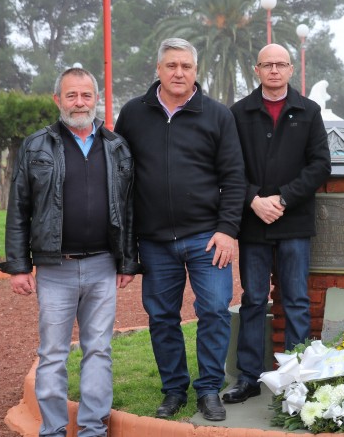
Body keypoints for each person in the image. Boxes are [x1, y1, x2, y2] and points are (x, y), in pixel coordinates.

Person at [0, 67, 139, 437]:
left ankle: (93, 428)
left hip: (103, 266)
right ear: (57, 99)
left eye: (86, 95)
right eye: (71, 95)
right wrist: (18, 266)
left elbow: (127, 209)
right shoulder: (36, 146)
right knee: (53, 353)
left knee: (99, 350)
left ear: (97, 99)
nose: (79, 103)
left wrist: (127, 261)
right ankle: (53, 429)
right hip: (55, 269)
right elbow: (19, 209)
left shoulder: (116, 146)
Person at [114, 38, 246, 421]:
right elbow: (120, 176)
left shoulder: (217, 115)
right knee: (161, 317)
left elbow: (234, 177)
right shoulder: (133, 114)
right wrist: (126, 241)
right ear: (158, 69)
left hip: (208, 238)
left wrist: (227, 229)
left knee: (215, 311)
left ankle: (208, 389)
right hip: (154, 241)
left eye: (186, 66)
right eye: (171, 65)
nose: (178, 72)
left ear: (196, 71)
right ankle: (173, 390)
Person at [222, 43, 331, 404]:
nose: (273, 70)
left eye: (280, 64)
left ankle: (295, 376)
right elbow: (230, 166)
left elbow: (320, 165)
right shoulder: (238, 113)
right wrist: (253, 199)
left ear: (290, 69)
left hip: (293, 221)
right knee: (253, 300)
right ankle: (248, 378)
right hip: (253, 223)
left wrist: (283, 199)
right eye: (267, 65)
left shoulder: (309, 111)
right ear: (257, 70)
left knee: (296, 300)